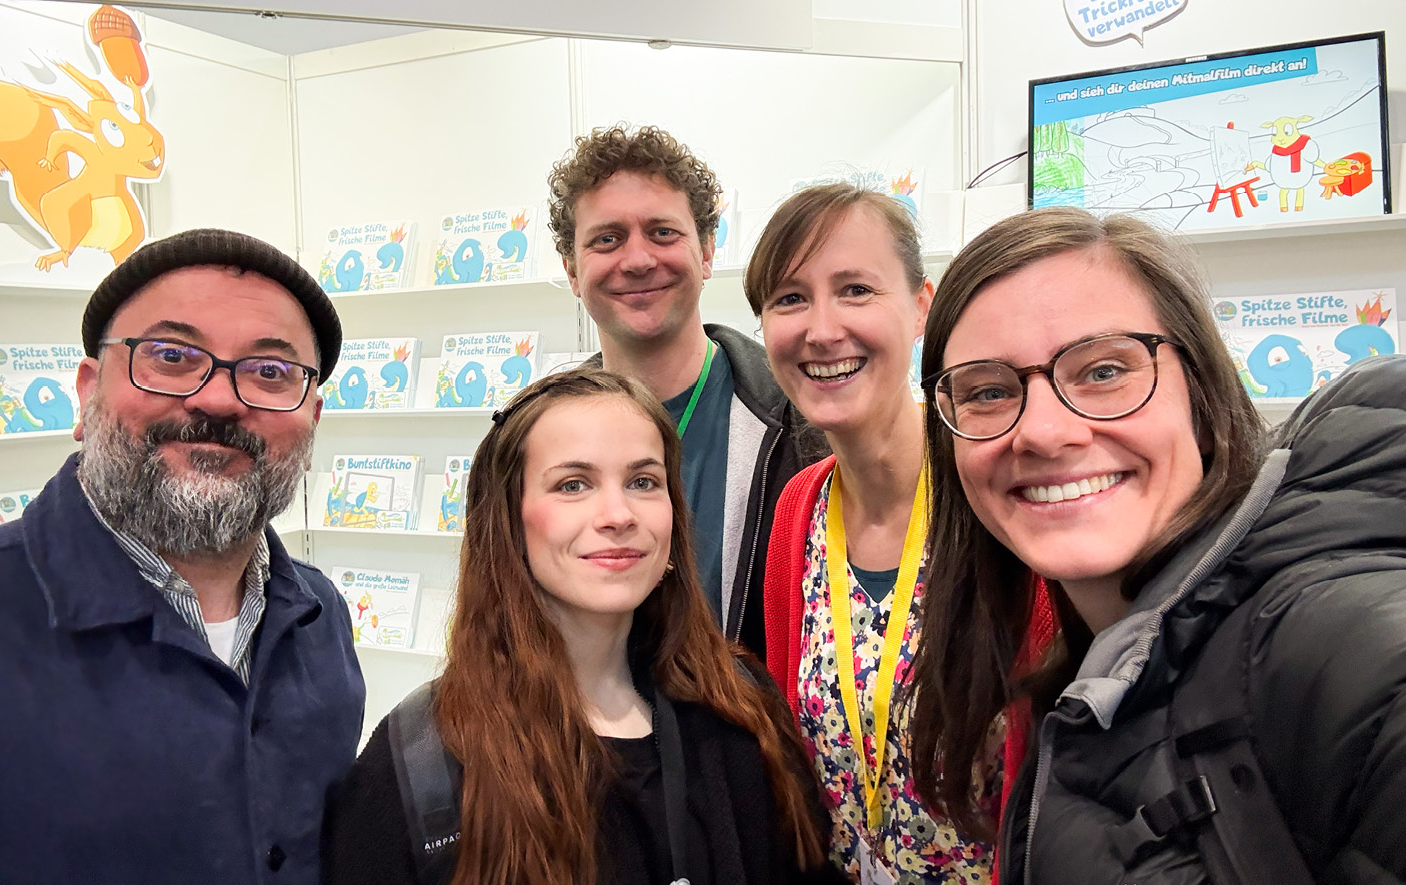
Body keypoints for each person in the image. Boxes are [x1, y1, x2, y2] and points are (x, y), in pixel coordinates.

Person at [910, 206, 1406, 884]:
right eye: (989, 391)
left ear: (1198, 385)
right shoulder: (1098, 672)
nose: (1044, 432)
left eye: (1104, 370)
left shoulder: (1342, 642)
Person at [323, 369, 845, 885]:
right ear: (508, 521)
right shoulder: (421, 762)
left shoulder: (742, 710)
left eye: (643, 482)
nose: (618, 514)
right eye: (574, 485)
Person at [0, 229, 365, 884]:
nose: (219, 399)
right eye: (171, 355)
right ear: (87, 391)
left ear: (312, 420)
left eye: (269, 371)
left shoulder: (322, 619)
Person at [746, 183, 1049, 882]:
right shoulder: (799, 510)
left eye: (854, 288)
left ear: (920, 306)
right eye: (790, 298)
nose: (821, 328)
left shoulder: (995, 488)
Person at [550, 124, 826, 658]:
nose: (637, 260)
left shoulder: (801, 424)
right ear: (572, 270)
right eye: (607, 239)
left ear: (705, 251)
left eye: (661, 233)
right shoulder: (534, 438)